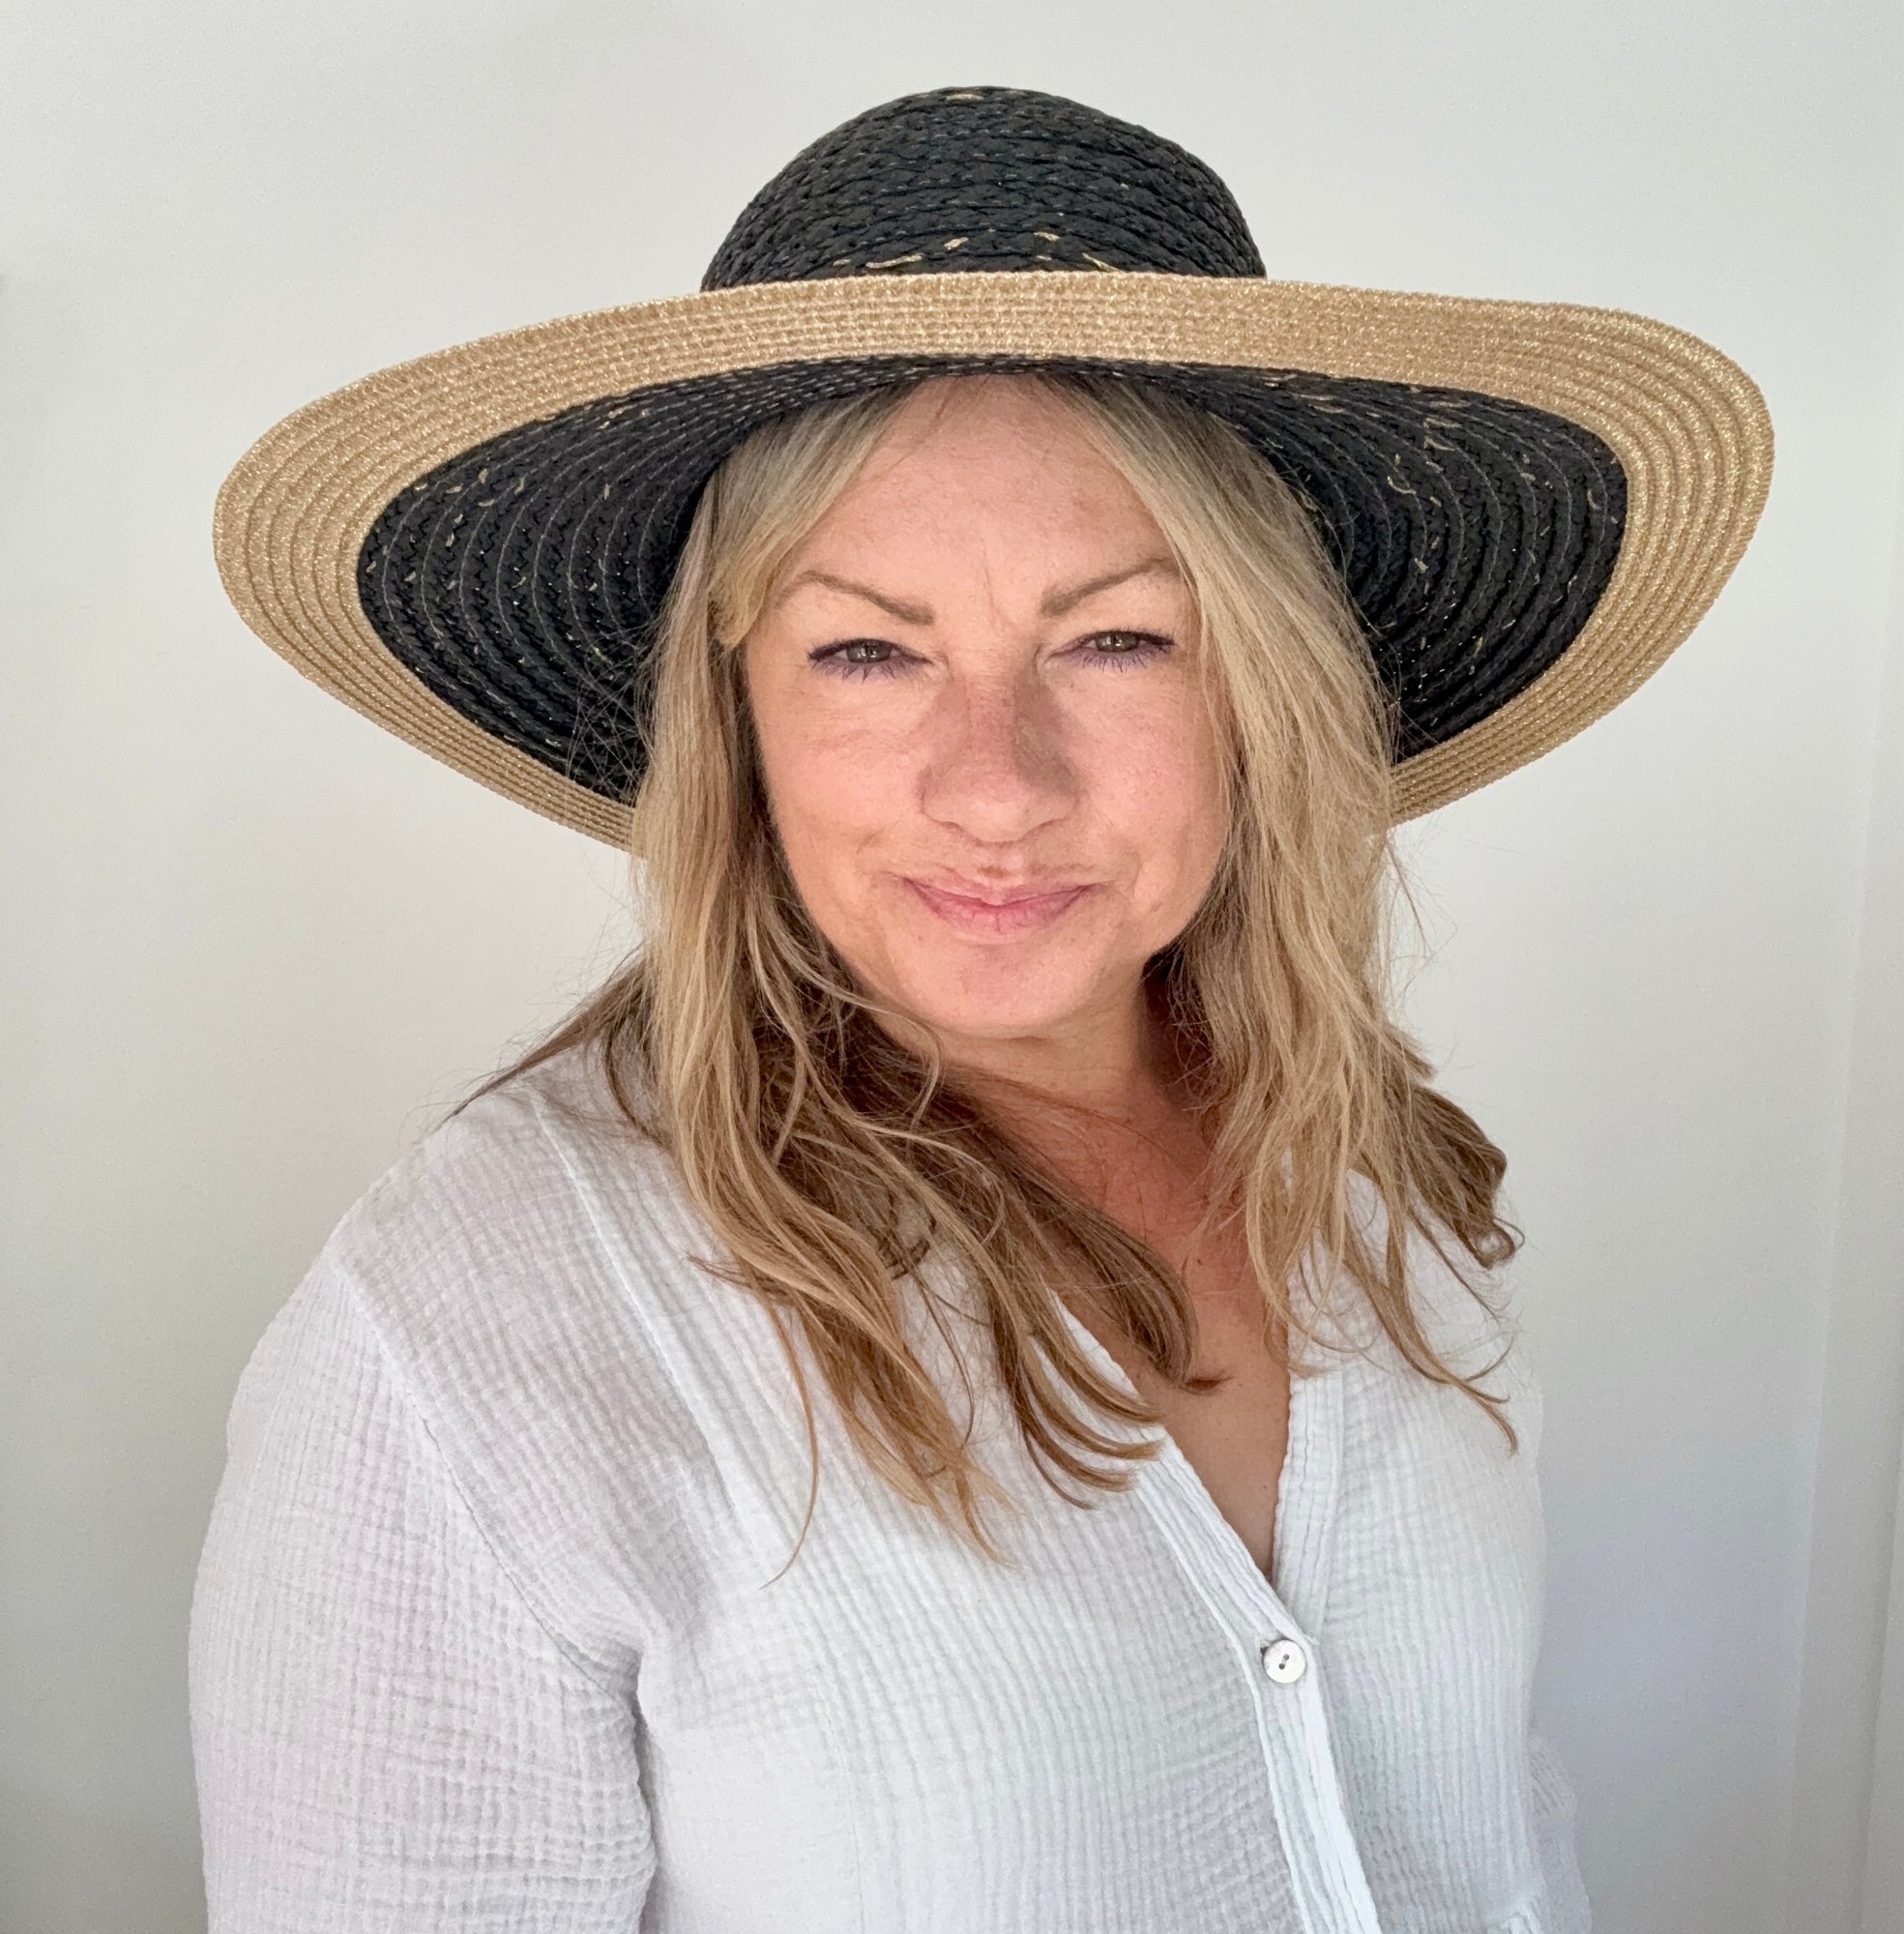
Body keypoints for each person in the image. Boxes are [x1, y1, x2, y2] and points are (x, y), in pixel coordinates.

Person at [189, 85, 1771, 1933]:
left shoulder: (1375, 1182)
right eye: (867, 647)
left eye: (1115, 639)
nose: (996, 784)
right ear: (740, 719)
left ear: (1265, 693)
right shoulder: (474, 1332)